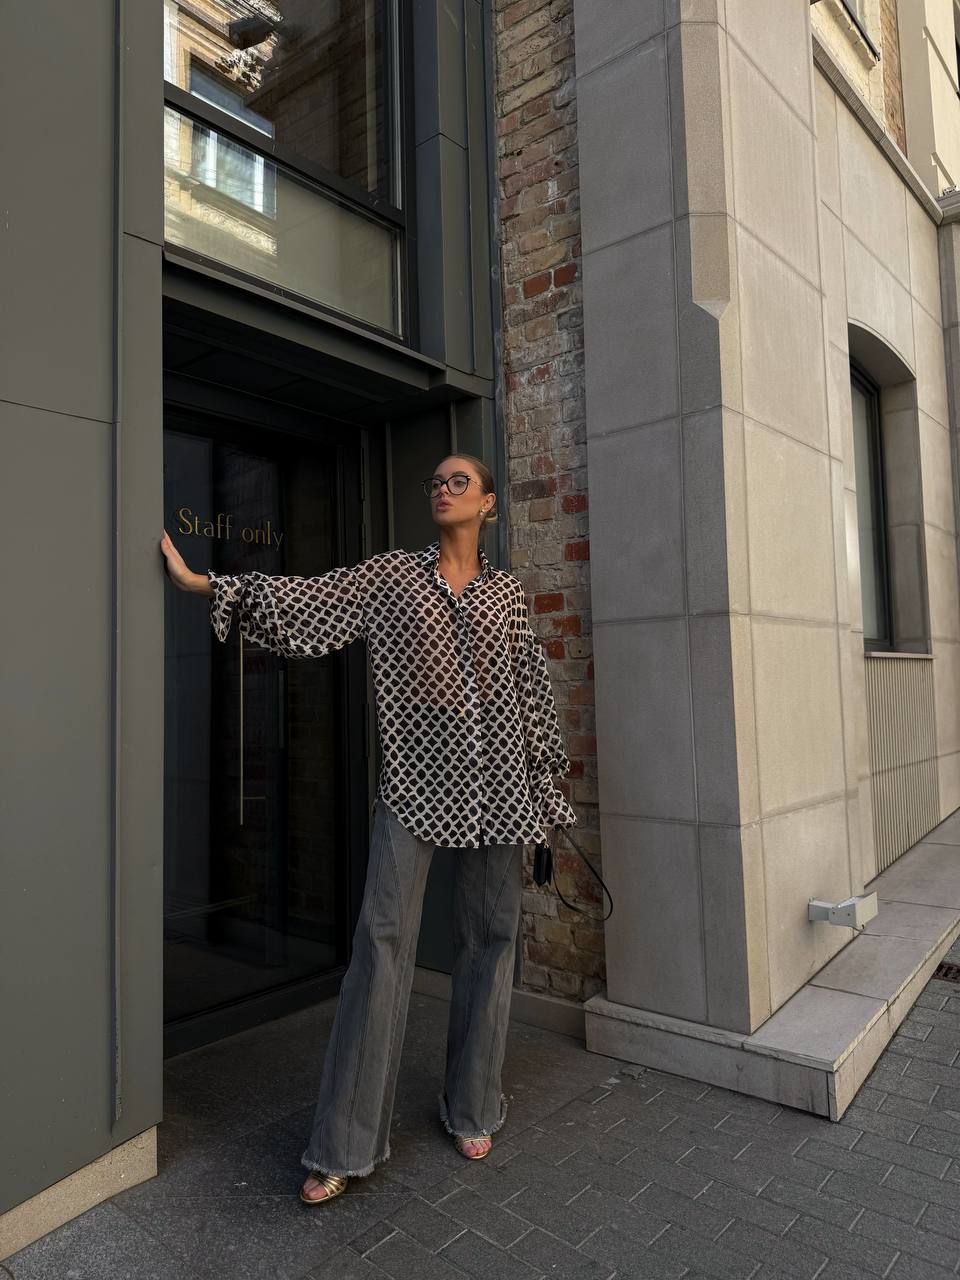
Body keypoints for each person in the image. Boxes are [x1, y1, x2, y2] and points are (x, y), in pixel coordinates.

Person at [159, 453, 577, 1204]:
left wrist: (546, 801)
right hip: (416, 786)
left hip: (504, 790)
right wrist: (211, 585)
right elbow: (314, 603)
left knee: (491, 941)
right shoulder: (392, 578)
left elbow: (532, 695)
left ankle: (474, 1104)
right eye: (436, 481)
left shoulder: (507, 595)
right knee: (381, 946)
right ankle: (346, 1144)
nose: (444, 489)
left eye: (459, 482)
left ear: (487, 505)